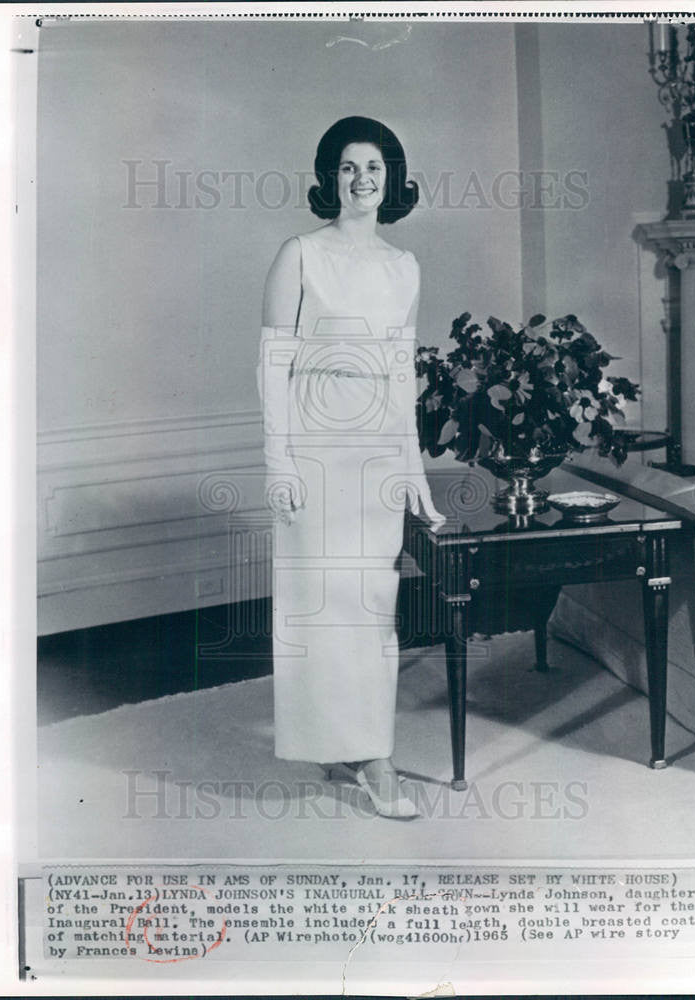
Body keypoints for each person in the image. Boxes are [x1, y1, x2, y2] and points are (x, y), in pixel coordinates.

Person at [256, 116, 445, 819]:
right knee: (321, 606)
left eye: (373, 167)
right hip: (312, 443)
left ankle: (364, 748)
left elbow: (401, 377)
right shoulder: (299, 255)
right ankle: (369, 757)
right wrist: (278, 462)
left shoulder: (404, 267)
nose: (361, 179)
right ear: (328, 178)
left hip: (374, 452)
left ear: (391, 178)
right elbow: (273, 365)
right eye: (346, 167)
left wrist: (415, 475)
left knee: (370, 608)